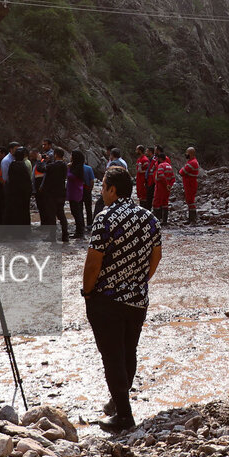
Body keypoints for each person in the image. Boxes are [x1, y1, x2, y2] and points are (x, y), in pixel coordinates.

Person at [82, 166, 162, 433]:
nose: (102, 192)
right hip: (137, 300)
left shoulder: (105, 218)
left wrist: (87, 291)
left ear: (113, 189)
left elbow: (93, 262)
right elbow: (156, 257)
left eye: (103, 186)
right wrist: (140, 281)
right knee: (129, 352)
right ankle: (119, 402)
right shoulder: (150, 218)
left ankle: (124, 416)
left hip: (107, 300)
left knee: (112, 357)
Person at [40, 148, 70, 241]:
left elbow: (41, 169)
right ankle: (65, 235)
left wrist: (40, 160)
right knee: (61, 214)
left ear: (56, 155)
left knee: (52, 215)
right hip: (61, 192)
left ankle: (52, 236)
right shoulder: (64, 165)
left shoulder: (52, 166)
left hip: (51, 194)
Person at [68, 150, 94, 240]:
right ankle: (87, 225)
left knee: (78, 210)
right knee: (87, 208)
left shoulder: (76, 169)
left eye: (71, 155)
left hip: (77, 191)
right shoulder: (87, 168)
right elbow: (92, 181)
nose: (70, 157)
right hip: (84, 190)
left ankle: (80, 229)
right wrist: (90, 189)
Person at [152, 149, 175, 225]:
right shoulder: (169, 166)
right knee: (165, 203)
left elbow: (161, 175)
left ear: (160, 159)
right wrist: (169, 186)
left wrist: (166, 184)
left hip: (160, 187)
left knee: (156, 203)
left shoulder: (161, 165)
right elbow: (173, 178)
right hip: (166, 188)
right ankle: (164, 221)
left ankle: (156, 220)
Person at [179, 147, 202, 225]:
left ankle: (193, 219)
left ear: (191, 153)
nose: (186, 154)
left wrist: (182, 169)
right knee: (189, 201)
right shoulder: (191, 162)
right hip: (189, 183)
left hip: (190, 184)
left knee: (191, 201)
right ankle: (191, 219)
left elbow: (182, 172)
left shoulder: (192, 163)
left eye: (187, 153)